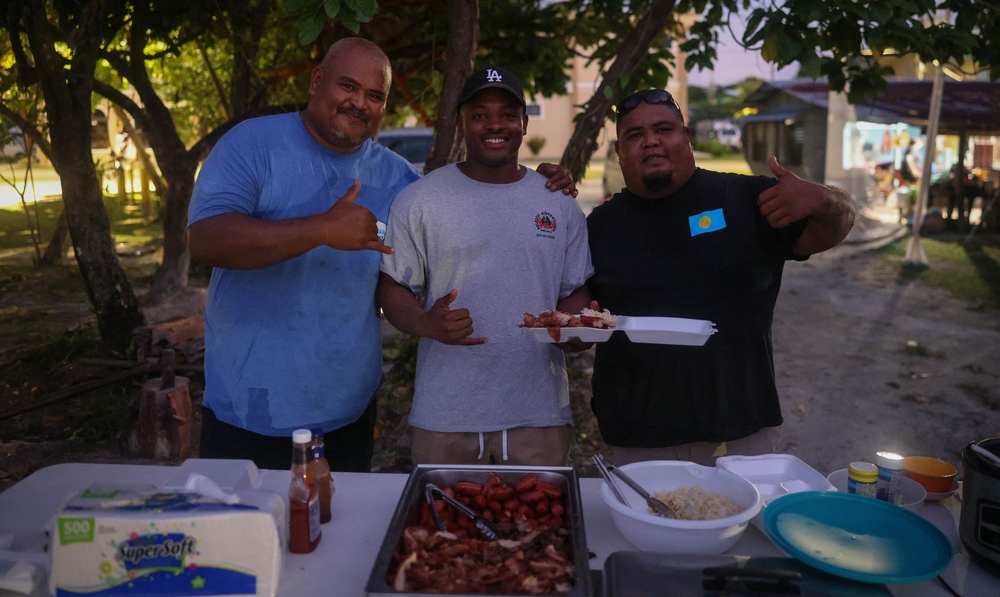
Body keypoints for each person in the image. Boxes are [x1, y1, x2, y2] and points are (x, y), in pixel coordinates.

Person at [186, 40, 577, 471]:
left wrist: (536, 185)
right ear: (317, 81)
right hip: (246, 408)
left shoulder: (398, 179)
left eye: (375, 96)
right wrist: (319, 229)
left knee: (338, 531)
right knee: (242, 535)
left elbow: (464, 217)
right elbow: (205, 240)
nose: (359, 103)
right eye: (348, 87)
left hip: (346, 411)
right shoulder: (253, 143)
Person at [586, 88, 856, 466]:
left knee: (742, 526)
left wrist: (823, 200)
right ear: (618, 152)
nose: (650, 141)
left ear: (687, 137)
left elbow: (829, 230)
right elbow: (581, 315)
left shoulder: (746, 199)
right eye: (634, 135)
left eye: (664, 129)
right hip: (637, 436)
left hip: (740, 434)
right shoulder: (601, 225)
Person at [377, 67, 593, 466]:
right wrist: (427, 324)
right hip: (445, 416)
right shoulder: (420, 200)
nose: (495, 124)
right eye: (479, 114)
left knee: (539, 526)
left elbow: (574, 289)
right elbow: (393, 288)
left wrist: (576, 327)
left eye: (509, 114)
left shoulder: (557, 202)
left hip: (538, 413)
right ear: (461, 123)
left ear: (525, 123)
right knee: (442, 525)